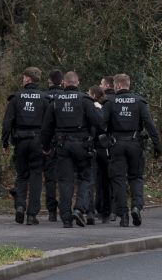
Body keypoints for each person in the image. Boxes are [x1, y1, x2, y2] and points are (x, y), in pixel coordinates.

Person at [41, 70, 104, 228]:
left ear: (64, 83)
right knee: (87, 177)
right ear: (78, 83)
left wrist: (46, 147)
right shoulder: (85, 99)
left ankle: (66, 219)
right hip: (82, 145)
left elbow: (46, 128)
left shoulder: (55, 101)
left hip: (62, 145)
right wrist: (97, 108)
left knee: (65, 181)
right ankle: (79, 208)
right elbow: (99, 122)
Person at [104, 73, 162, 227]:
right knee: (135, 177)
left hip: (116, 145)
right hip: (135, 143)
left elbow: (101, 123)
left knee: (118, 179)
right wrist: (157, 145)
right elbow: (149, 124)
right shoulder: (139, 101)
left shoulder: (110, 102)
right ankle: (136, 206)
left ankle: (123, 215)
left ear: (116, 85)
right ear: (128, 84)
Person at [1, 67, 52, 225]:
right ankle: (32, 215)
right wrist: (48, 143)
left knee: (22, 176)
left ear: (29, 79)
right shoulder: (45, 99)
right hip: (38, 141)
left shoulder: (16, 98)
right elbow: (49, 124)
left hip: (21, 142)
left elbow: (7, 122)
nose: (22, 80)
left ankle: (20, 206)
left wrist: (5, 142)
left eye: (24, 78)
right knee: (36, 177)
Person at [88, 85, 113, 223]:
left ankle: (90, 211)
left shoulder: (92, 107)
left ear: (93, 95)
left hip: (94, 145)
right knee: (105, 181)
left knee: (90, 179)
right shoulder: (108, 106)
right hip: (104, 147)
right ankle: (106, 212)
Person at [42, 69, 65, 222]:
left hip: (49, 141)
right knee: (65, 177)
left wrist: (44, 144)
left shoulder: (43, 97)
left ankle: (51, 211)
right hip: (65, 140)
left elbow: (43, 124)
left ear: (49, 81)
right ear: (62, 82)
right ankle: (65, 208)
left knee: (50, 178)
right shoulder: (67, 97)